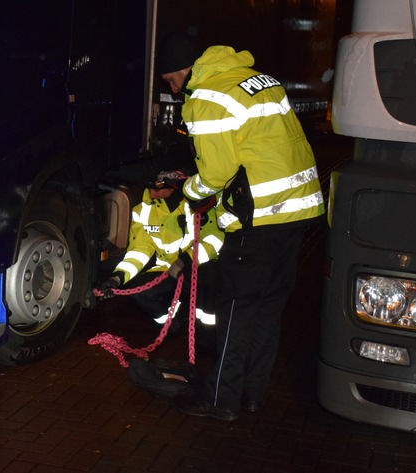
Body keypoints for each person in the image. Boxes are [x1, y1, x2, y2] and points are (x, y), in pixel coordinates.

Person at [156, 34, 325, 421]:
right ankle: (251, 395)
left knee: (237, 310)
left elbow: (216, 173)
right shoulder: (255, 78)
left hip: (260, 219)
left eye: (170, 79)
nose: (173, 88)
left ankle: (222, 400)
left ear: (186, 70)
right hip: (298, 212)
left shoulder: (207, 98)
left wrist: (187, 189)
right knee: (268, 310)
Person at [98, 170, 223, 337]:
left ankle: (207, 336)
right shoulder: (143, 211)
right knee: (141, 291)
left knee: (210, 283)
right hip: (168, 269)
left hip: (199, 265)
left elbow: (215, 239)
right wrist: (118, 277)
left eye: (156, 188)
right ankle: (172, 324)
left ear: (173, 187)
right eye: (149, 188)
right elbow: (139, 251)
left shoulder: (198, 204)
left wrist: (186, 259)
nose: (151, 193)